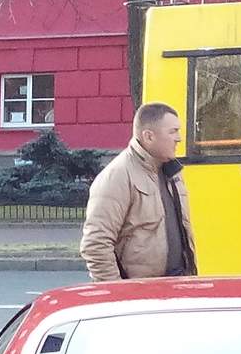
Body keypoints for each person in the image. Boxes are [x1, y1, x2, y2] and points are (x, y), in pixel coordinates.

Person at [80, 101, 196, 282]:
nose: (179, 138)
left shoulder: (172, 172)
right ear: (148, 137)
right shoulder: (117, 176)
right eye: (172, 132)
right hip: (140, 294)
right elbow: (96, 244)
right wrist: (117, 293)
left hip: (177, 285)